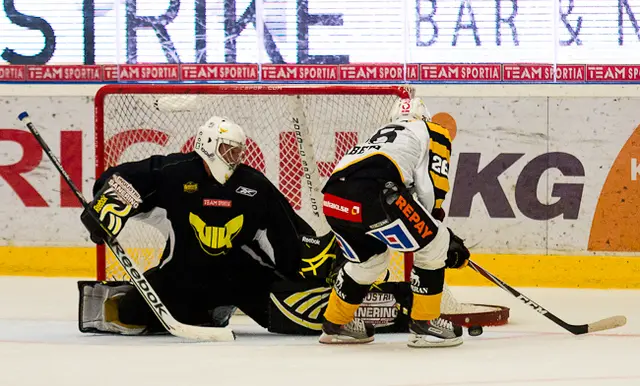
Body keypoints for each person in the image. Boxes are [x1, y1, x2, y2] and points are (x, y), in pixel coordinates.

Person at [77, 115, 338, 336]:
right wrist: (105, 208)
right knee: (125, 312)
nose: (234, 157)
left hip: (240, 277)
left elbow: (286, 232)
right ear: (209, 145)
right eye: (229, 149)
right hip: (182, 276)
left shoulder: (254, 185)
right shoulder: (174, 173)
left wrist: (302, 268)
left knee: (304, 318)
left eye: (238, 151)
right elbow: (121, 179)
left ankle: (349, 299)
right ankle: (205, 311)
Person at [318, 97, 471, 348]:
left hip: (334, 200)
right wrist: (439, 233)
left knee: (369, 260)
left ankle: (336, 324)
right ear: (425, 117)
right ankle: (425, 324)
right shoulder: (432, 130)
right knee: (435, 244)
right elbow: (430, 188)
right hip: (374, 195)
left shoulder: (378, 136)